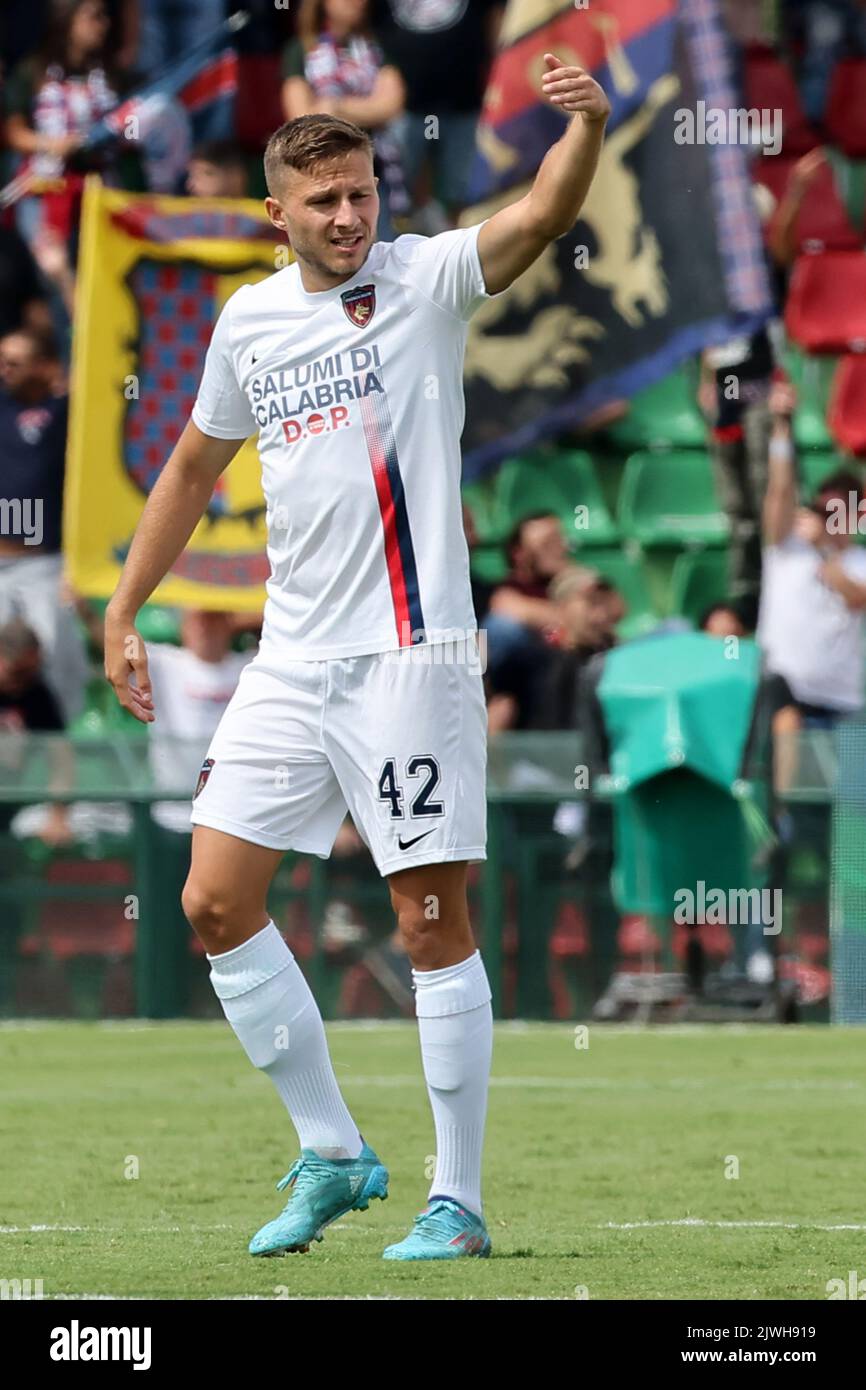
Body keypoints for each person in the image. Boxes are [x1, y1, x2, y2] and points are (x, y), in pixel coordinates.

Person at [104, 57, 610, 1261]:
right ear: (275, 213)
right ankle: (333, 1152)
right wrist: (127, 607)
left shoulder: (424, 276)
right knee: (214, 902)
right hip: (290, 659)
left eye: (362, 192)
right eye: (322, 199)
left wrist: (583, 127)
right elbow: (186, 468)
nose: (348, 215)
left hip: (408, 659)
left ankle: (460, 1200)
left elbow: (541, 214)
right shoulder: (248, 320)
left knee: (430, 920)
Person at [759, 381, 866, 727]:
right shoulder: (787, 546)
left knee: (852, 784)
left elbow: (855, 598)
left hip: (841, 703)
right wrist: (782, 426)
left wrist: (823, 548)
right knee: (788, 782)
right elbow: (780, 489)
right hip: (782, 695)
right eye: (822, 507)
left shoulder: (860, 561)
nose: (825, 515)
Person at [0, 327, 89, 724]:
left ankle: (62, 747)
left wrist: (61, 279)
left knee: (55, 657)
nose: (4, 369)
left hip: (43, 563)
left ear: (44, 366)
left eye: (14, 362)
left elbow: (97, 349)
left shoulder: (62, 413)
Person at [370, 0, 505, 226]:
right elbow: (367, 22)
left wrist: (500, 81)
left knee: (463, 193)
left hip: (465, 103)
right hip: (404, 107)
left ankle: (461, 248)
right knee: (399, 193)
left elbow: (496, 21)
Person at [281, 0, 407, 241]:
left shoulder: (378, 49)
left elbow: (390, 106)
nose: (358, 3)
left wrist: (334, 106)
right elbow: (299, 116)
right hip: (319, 172)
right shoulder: (300, 50)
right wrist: (364, 107)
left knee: (377, 247)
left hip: (372, 170)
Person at [185, 140, 250, 200]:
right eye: (191, 175)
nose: (190, 185)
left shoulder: (256, 211)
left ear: (235, 178)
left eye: (206, 173)